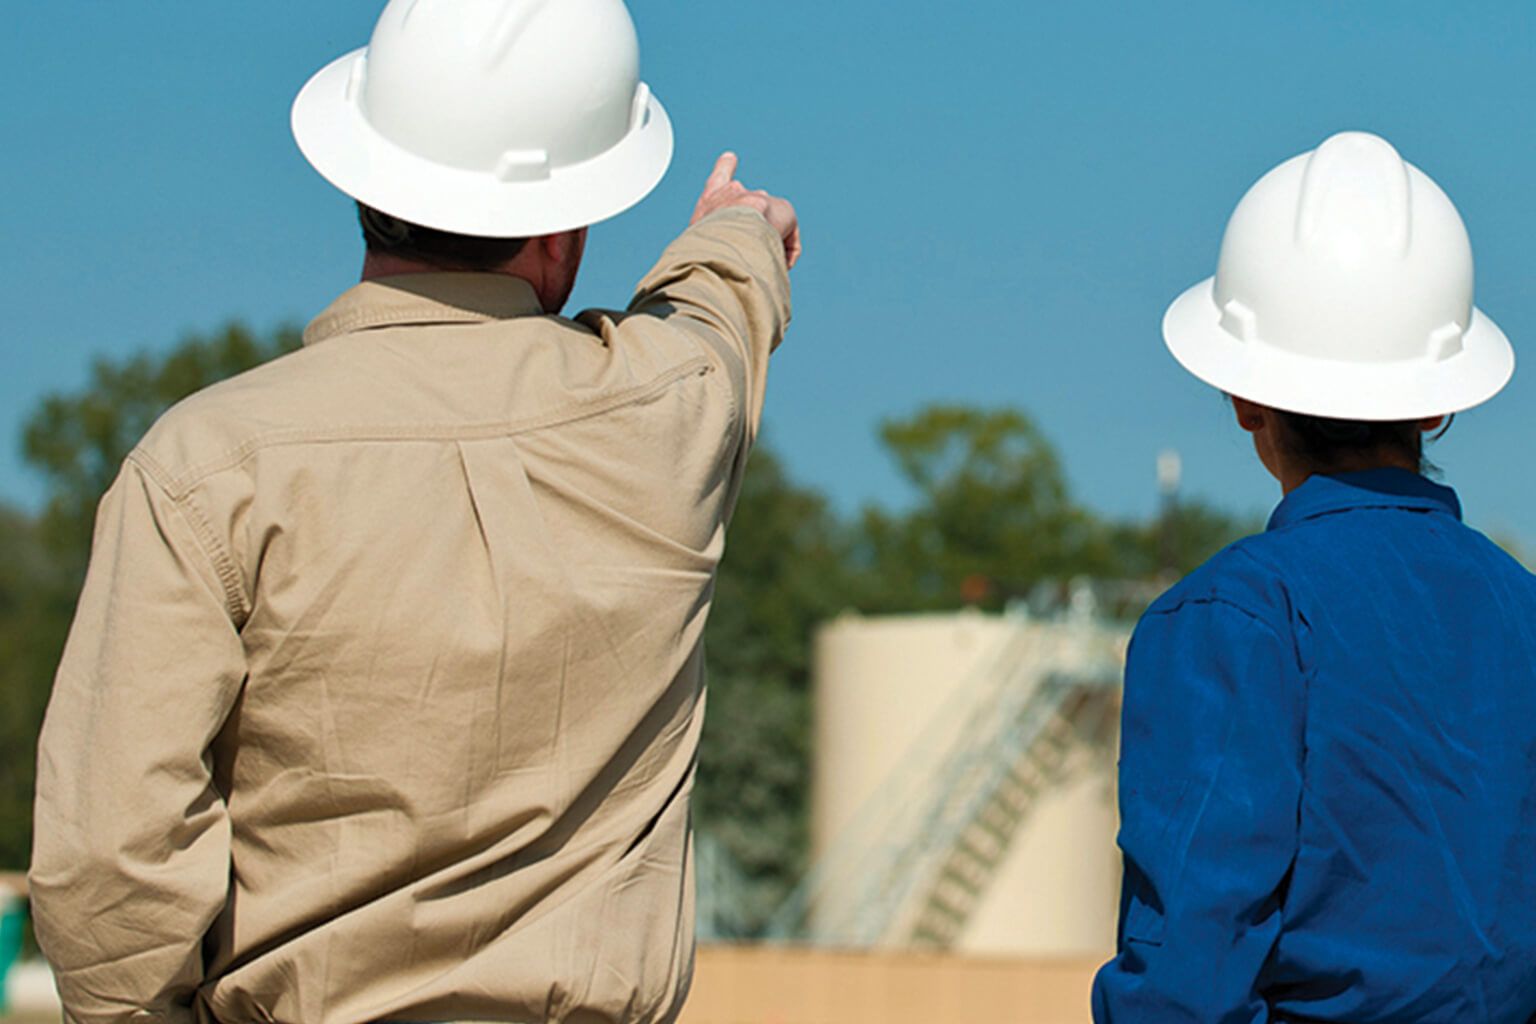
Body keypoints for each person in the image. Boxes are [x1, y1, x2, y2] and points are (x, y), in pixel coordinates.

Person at [28, 1, 800, 1021]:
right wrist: (739, 231)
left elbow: (111, 861)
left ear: (360, 177)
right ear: (567, 227)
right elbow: (721, 304)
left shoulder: (207, 467)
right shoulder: (669, 413)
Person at [1092, 132, 1536, 1022]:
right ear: (1440, 399)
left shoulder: (1233, 620)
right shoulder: (1522, 612)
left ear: (1243, 394)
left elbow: (1187, 978)